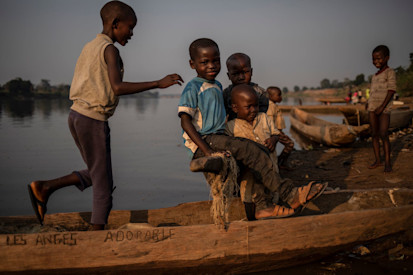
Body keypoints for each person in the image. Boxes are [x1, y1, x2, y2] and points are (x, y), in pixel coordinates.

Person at [27, 0, 184, 230]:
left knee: (97, 174)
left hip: (76, 116)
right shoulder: (110, 49)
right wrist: (157, 83)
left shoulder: (89, 46)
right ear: (115, 23)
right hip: (92, 120)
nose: (131, 33)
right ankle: (96, 236)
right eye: (130, 28)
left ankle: (45, 187)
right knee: (104, 188)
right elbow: (117, 87)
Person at [178, 38, 327, 219]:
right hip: (204, 140)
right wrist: (207, 150)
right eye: (204, 62)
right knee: (249, 149)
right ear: (192, 64)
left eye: (215, 61)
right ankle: (289, 194)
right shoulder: (193, 87)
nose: (211, 66)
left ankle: (262, 206)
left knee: (257, 151)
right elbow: (185, 122)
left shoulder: (217, 86)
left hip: (218, 137)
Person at [225, 84, 289, 219]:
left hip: (271, 170)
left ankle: (270, 211)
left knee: (272, 193)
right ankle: (255, 215)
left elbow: (276, 133)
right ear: (235, 108)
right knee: (249, 196)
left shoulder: (264, 118)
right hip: (249, 175)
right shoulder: (231, 127)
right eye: (248, 107)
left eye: (256, 106)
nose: (253, 110)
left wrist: (273, 139)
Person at [367, 45, 396, 173]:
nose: (376, 62)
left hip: (384, 108)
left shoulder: (390, 72)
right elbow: (373, 93)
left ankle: (388, 163)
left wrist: (382, 107)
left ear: (387, 58)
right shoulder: (374, 76)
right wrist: (369, 105)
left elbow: (391, 90)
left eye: (379, 59)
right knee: (374, 134)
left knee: (384, 133)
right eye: (374, 59)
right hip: (372, 108)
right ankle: (378, 160)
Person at [223, 53, 269, 121]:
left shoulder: (260, 93)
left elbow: (261, 116)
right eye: (235, 74)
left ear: (251, 72)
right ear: (229, 76)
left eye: (245, 72)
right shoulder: (226, 94)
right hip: (233, 128)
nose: (241, 77)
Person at [266, 86, 295, 170]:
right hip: (275, 132)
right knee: (290, 144)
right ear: (270, 96)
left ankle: (279, 162)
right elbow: (270, 122)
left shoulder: (274, 106)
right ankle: (281, 162)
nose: (281, 97)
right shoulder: (270, 107)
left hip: (278, 132)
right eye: (279, 95)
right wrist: (277, 133)